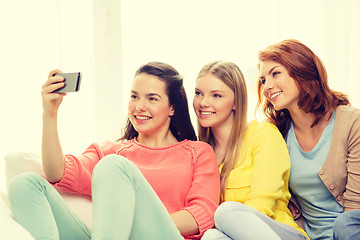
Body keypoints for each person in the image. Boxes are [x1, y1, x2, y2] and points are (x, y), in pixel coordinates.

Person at [7, 62, 220, 240]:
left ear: (172, 107)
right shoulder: (113, 151)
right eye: (134, 96)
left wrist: (135, 221)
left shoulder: (197, 152)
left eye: (152, 98)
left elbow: (202, 214)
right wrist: (50, 113)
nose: (139, 107)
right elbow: (57, 173)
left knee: (112, 166)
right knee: (24, 184)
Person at [256, 39, 360, 240]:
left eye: (275, 73)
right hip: (305, 236)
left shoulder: (352, 122)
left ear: (301, 70)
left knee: (345, 224)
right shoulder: (276, 133)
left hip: (350, 232)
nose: (267, 86)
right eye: (262, 80)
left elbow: (355, 207)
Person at [193, 60, 308, 240]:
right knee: (212, 237)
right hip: (227, 235)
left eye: (216, 95)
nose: (203, 102)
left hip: (279, 232)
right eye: (198, 93)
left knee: (225, 212)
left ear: (236, 102)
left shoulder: (263, 134)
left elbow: (262, 205)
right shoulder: (200, 153)